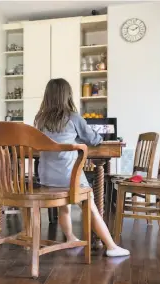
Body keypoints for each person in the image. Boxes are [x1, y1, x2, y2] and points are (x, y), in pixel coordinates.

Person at [33, 78, 129, 257]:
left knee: (64, 206)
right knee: (90, 206)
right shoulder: (73, 117)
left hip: (46, 178)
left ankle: (70, 238)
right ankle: (111, 246)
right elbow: (94, 139)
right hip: (69, 178)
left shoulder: (39, 120)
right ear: (67, 96)